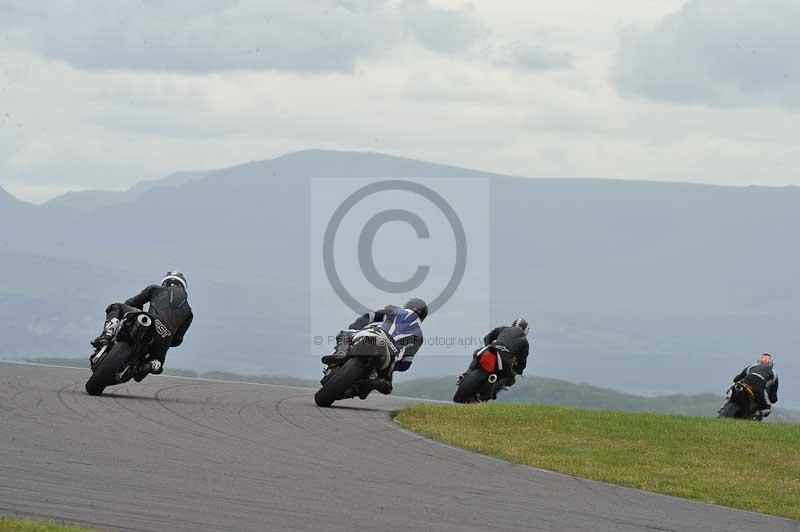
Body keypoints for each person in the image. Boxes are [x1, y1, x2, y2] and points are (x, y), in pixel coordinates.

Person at [91, 271, 194, 381]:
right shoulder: (189, 313)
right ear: (183, 286)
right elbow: (177, 341)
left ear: (165, 282)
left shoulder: (155, 289)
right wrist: (165, 336)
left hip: (147, 321)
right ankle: (149, 365)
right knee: (158, 362)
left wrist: (135, 313)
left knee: (115, 307)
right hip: (162, 342)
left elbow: (131, 303)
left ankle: (106, 336)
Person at [325, 298, 427, 399]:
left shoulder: (395, 309)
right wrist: (394, 367)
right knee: (386, 385)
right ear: (423, 317)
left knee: (345, 333)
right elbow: (406, 363)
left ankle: (341, 353)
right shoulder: (419, 335)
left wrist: (355, 327)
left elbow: (369, 317)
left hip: (373, 335)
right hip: (390, 354)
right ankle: (370, 384)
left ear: (407, 305)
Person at [462, 318, 531, 390]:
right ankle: (493, 392)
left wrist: (488, 349)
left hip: (491, 349)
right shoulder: (524, 341)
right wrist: (519, 370)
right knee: (511, 380)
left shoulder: (503, 329)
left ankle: (466, 374)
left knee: (477, 354)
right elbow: (522, 361)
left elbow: (487, 338)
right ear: (525, 330)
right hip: (504, 359)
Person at [732, 353, 779, 418]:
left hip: (744, 383)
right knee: (767, 409)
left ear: (759, 361)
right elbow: (773, 397)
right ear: (771, 364)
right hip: (759, 388)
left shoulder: (751, 367)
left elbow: (736, 379)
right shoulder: (774, 374)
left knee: (735, 388)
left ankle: (725, 406)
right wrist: (773, 399)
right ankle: (755, 416)